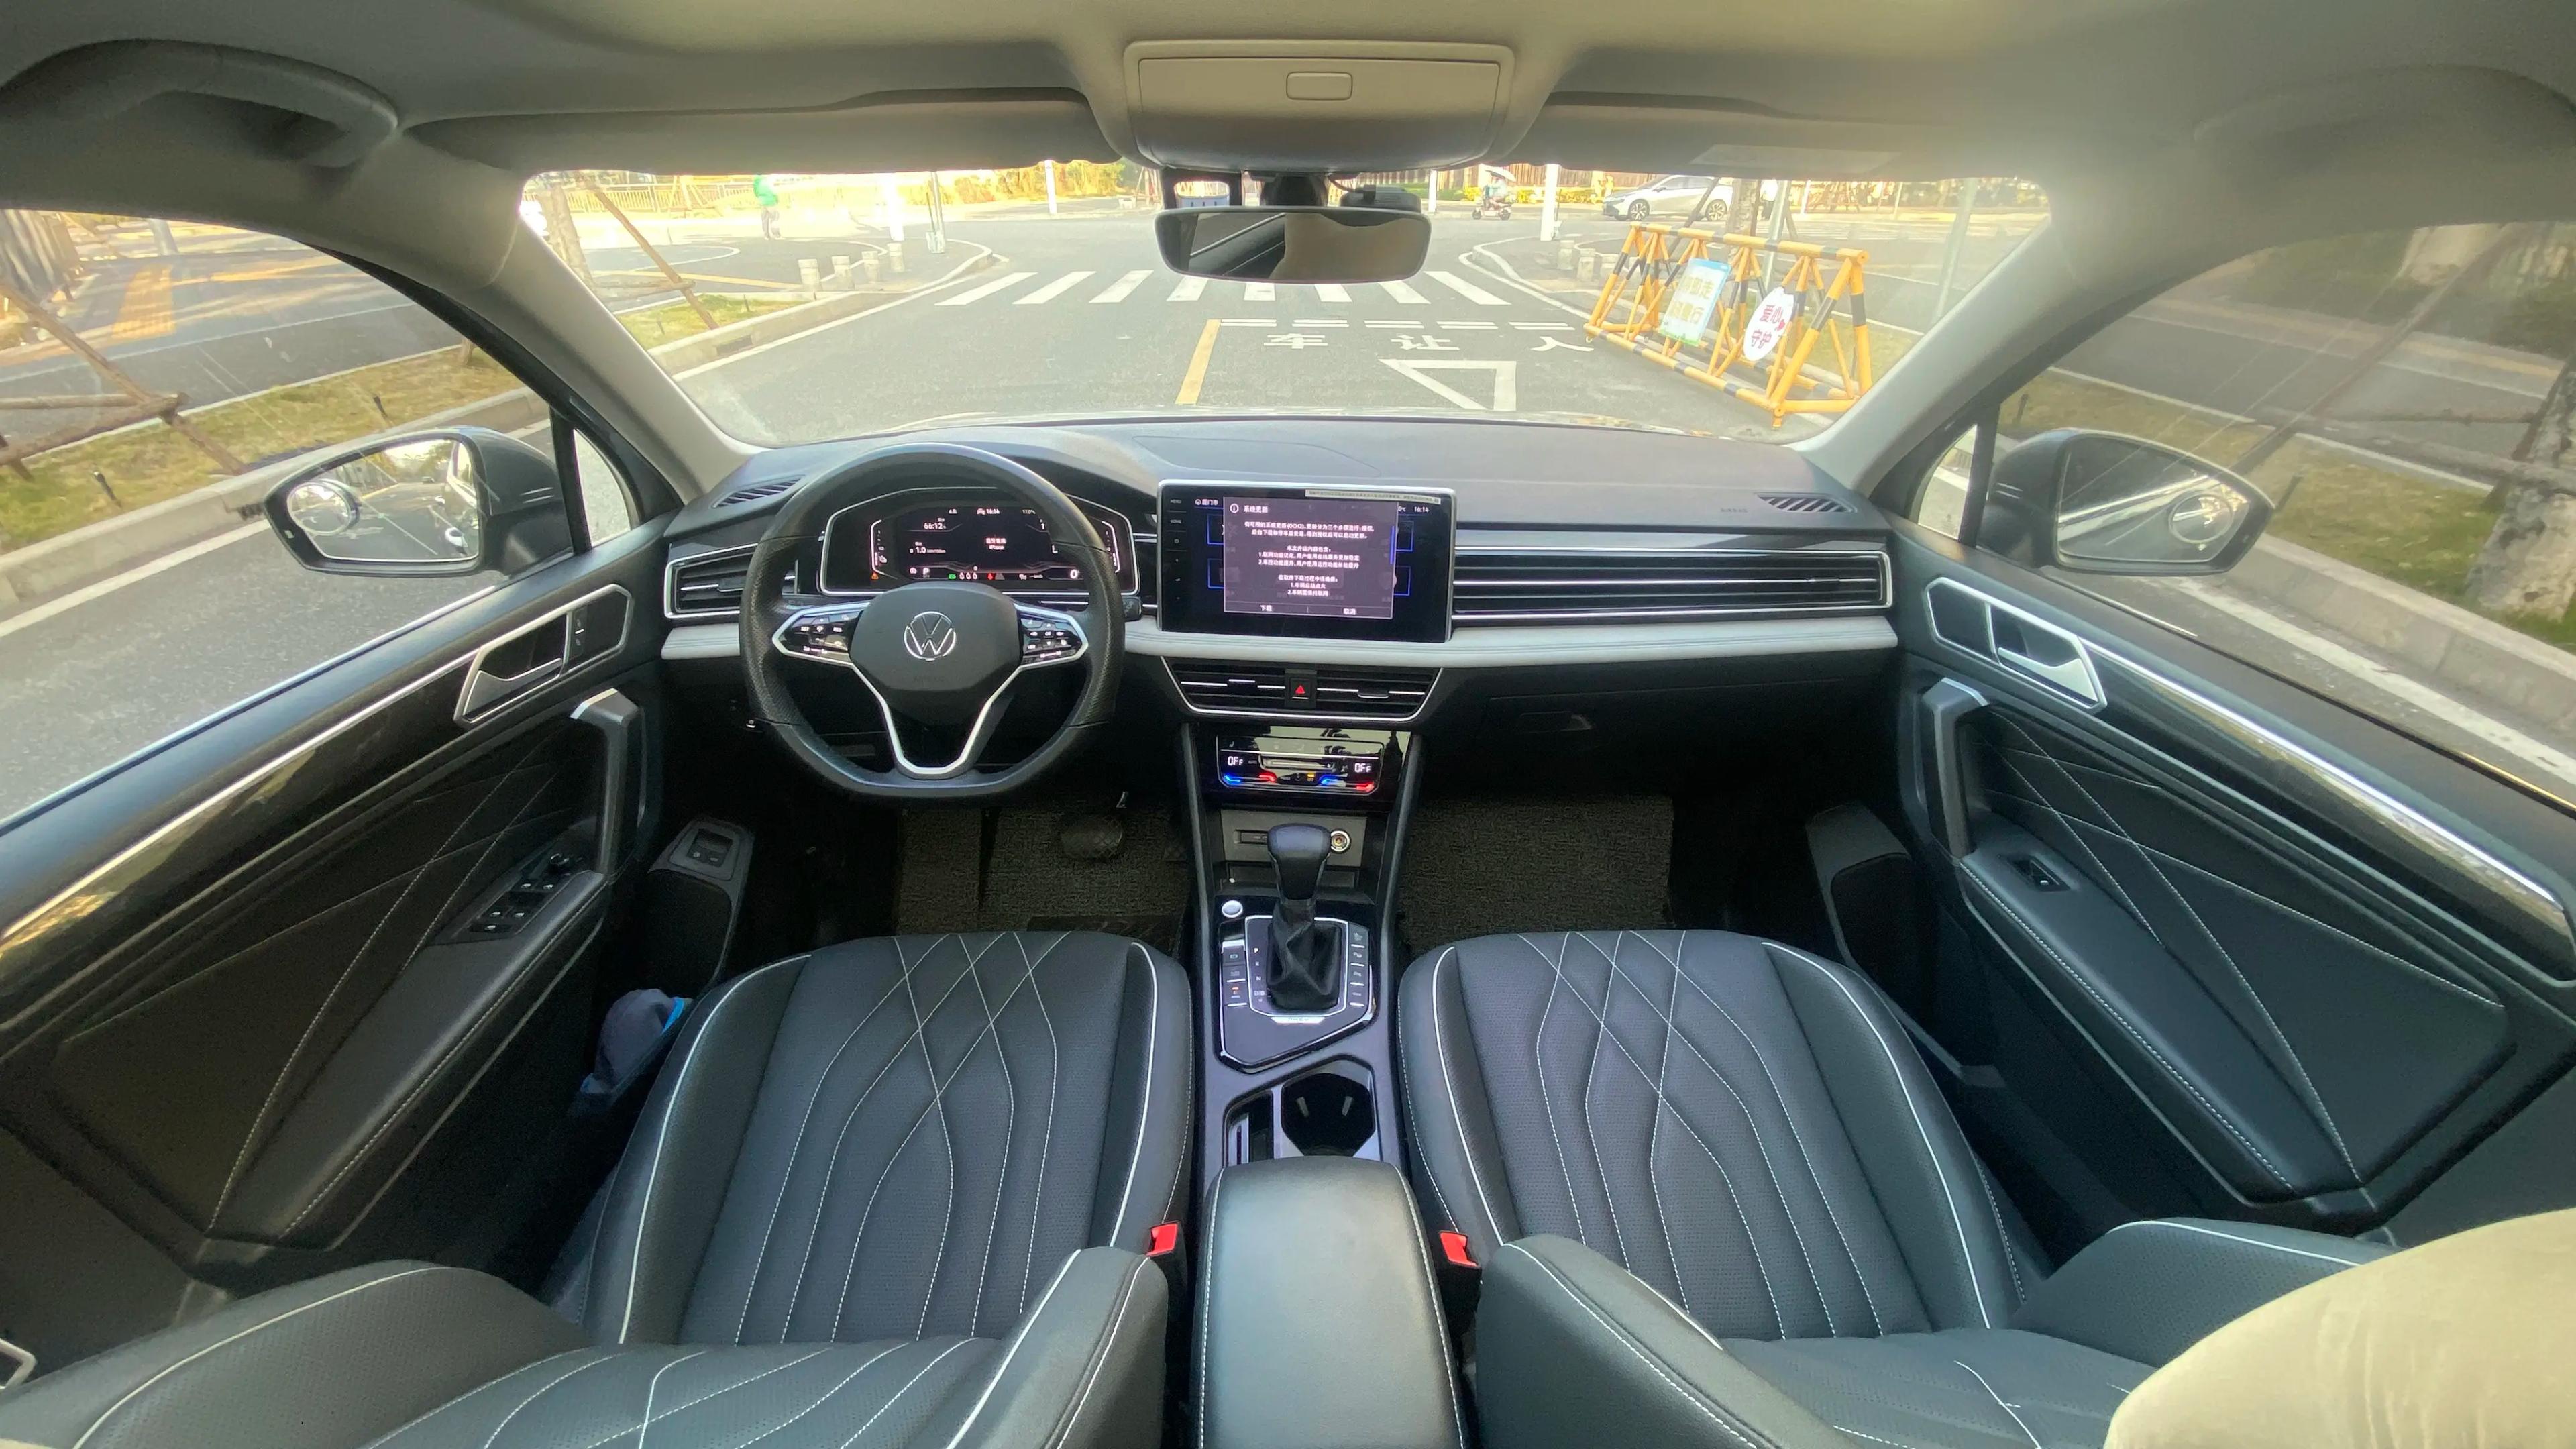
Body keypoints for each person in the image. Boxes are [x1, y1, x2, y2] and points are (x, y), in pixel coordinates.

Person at [752, 174, 781, 239]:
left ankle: (766, 236)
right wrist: (777, 199)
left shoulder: (756, 183)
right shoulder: (767, 181)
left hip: (762, 202)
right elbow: (773, 192)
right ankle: (776, 235)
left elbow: (756, 192)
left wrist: (760, 198)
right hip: (771, 201)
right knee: (774, 218)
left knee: (764, 219)